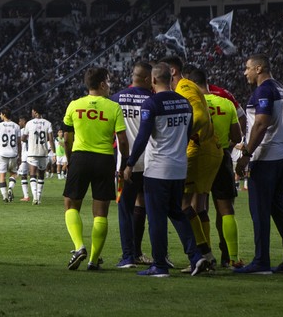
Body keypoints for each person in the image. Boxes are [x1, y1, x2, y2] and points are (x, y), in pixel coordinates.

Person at [124, 62, 211, 277]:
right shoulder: (184, 103)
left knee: (156, 218)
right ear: (170, 79)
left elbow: (143, 137)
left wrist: (129, 163)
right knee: (177, 212)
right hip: (179, 168)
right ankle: (196, 256)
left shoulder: (151, 104)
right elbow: (188, 131)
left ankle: (160, 266)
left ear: (153, 80)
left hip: (157, 169)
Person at [234, 53, 283, 274]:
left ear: (259, 68)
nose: (245, 72)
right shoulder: (282, 89)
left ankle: (261, 262)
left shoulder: (264, 90)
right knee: (279, 209)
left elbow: (261, 124)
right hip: (281, 154)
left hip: (265, 157)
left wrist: (246, 154)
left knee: (259, 210)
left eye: (248, 68)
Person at [62, 67, 128, 272]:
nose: (109, 86)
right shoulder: (113, 107)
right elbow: (123, 141)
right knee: (101, 212)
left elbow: (66, 138)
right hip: (104, 159)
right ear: (101, 84)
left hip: (80, 157)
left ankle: (78, 246)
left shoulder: (74, 105)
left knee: (71, 205)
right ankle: (93, 259)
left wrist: (70, 157)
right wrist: (124, 162)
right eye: (107, 82)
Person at [159, 56, 219, 269]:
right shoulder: (186, 88)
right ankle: (208, 257)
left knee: (181, 204)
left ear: (172, 71)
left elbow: (201, 116)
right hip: (208, 149)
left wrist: (183, 137)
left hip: (198, 150)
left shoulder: (184, 87)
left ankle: (202, 254)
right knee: (197, 206)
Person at [188, 68, 243, 268]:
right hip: (222, 158)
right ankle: (232, 257)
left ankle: (206, 255)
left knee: (197, 207)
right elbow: (237, 137)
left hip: (198, 159)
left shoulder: (192, 104)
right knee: (226, 209)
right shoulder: (226, 103)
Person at [111, 61, 153, 269]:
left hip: (124, 164)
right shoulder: (153, 99)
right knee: (147, 207)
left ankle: (128, 256)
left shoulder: (116, 99)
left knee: (125, 209)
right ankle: (146, 253)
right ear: (146, 78)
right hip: (151, 164)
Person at [21, 106, 54, 204]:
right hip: (43, 153)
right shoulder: (48, 123)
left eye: (32, 111)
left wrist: (28, 138)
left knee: (32, 175)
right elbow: (51, 139)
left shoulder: (29, 123)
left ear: (35, 111)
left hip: (32, 153)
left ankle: (35, 197)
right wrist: (54, 153)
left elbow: (23, 138)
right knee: (41, 175)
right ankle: (39, 197)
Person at [0, 108, 20, 202]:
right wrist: (20, 155)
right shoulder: (16, 126)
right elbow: (19, 143)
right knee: (13, 174)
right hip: (13, 154)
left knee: (2, 176)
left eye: (0, 114)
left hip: (2, 154)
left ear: (3, 115)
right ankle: (10, 188)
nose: (0, 116)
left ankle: (5, 196)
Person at [15, 116, 31, 201]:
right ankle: (34, 195)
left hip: (25, 156)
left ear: (24, 121)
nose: (19, 123)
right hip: (32, 155)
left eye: (20, 121)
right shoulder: (32, 130)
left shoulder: (22, 131)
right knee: (33, 175)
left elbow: (20, 143)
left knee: (22, 175)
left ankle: (26, 196)